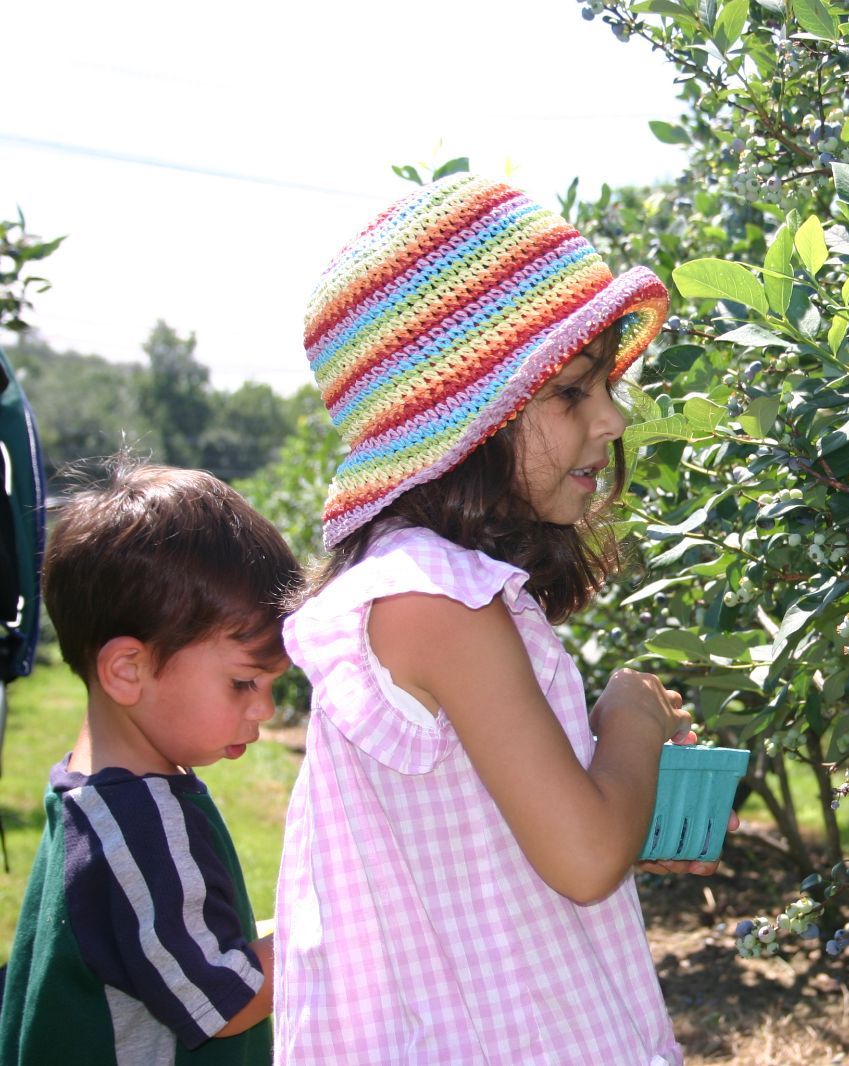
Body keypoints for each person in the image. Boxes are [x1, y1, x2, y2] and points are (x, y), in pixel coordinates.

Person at [274, 173, 713, 1065]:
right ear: (471, 423)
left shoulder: (438, 591)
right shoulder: (438, 602)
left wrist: (631, 806)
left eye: (607, 384)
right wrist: (631, 718)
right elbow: (583, 858)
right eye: (573, 392)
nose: (613, 418)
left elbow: (492, 837)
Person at [0, 461, 302, 1065]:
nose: (265, 710)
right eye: (243, 682)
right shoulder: (138, 825)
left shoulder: (95, 795)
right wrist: (331, 933)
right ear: (127, 671)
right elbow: (227, 999)